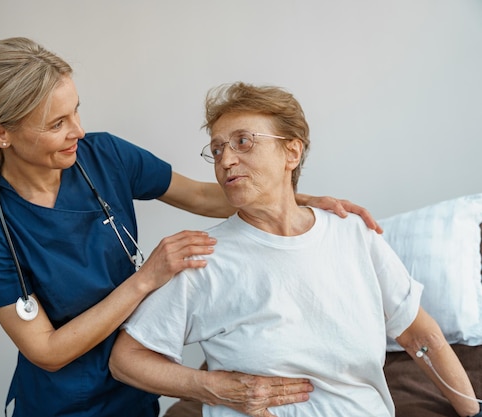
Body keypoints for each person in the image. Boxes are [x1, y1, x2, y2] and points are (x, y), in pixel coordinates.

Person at [0, 37, 382, 417]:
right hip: (60, 404)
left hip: (136, 389)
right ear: (0, 133)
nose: (78, 131)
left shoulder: (103, 155)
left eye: (76, 112)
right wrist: (146, 280)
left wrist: (292, 197)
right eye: (56, 124)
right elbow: (46, 351)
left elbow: (200, 196)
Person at [109, 82, 481, 417]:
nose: (225, 159)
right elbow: (127, 360)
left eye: (243, 141)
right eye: (217, 149)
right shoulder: (204, 255)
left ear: (292, 152)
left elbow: (420, 336)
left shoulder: (353, 235)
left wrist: (471, 413)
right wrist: (213, 387)